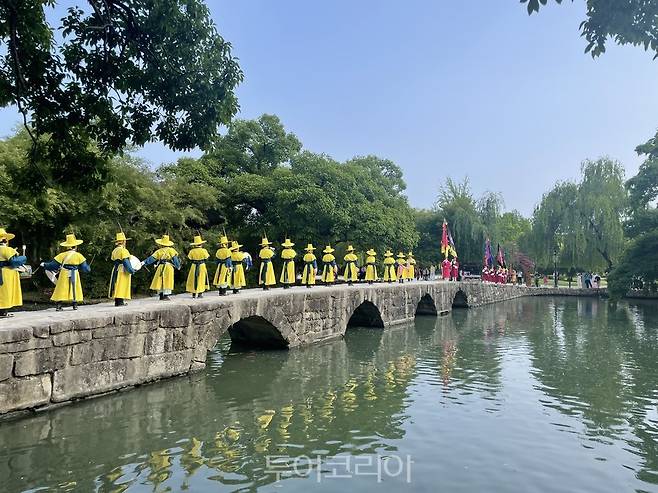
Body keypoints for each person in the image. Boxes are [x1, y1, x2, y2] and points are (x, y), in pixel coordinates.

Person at [43, 233, 91, 311]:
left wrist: (45, 264)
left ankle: (59, 305)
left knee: (61, 288)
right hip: (74, 273)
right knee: (74, 288)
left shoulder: (61, 255)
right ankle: (75, 305)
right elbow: (85, 268)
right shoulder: (79, 255)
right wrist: (88, 268)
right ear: (75, 246)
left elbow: (53, 265)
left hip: (64, 273)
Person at [143, 234, 181, 301]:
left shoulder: (159, 251)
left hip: (160, 266)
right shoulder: (171, 250)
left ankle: (161, 295)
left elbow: (152, 258)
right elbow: (175, 259)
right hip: (168, 266)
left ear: (161, 244)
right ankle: (166, 295)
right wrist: (178, 266)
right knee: (168, 280)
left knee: (160, 280)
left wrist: (144, 262)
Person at [0, 228, 26, 317]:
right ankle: (3, 312)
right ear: (5, 240)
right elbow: (14, 262)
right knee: (6, 291)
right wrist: (23, 258)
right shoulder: (7, 249)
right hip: (6, 272)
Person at [109, 231, 136, 307]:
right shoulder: (123, 250)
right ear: (124, 241)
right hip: (122, 269)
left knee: (117, 284)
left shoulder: (115, 250)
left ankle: (117, 301)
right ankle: (120, 302)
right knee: (121, 284)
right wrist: (131, 270)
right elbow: (125, 261)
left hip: (116, 268)